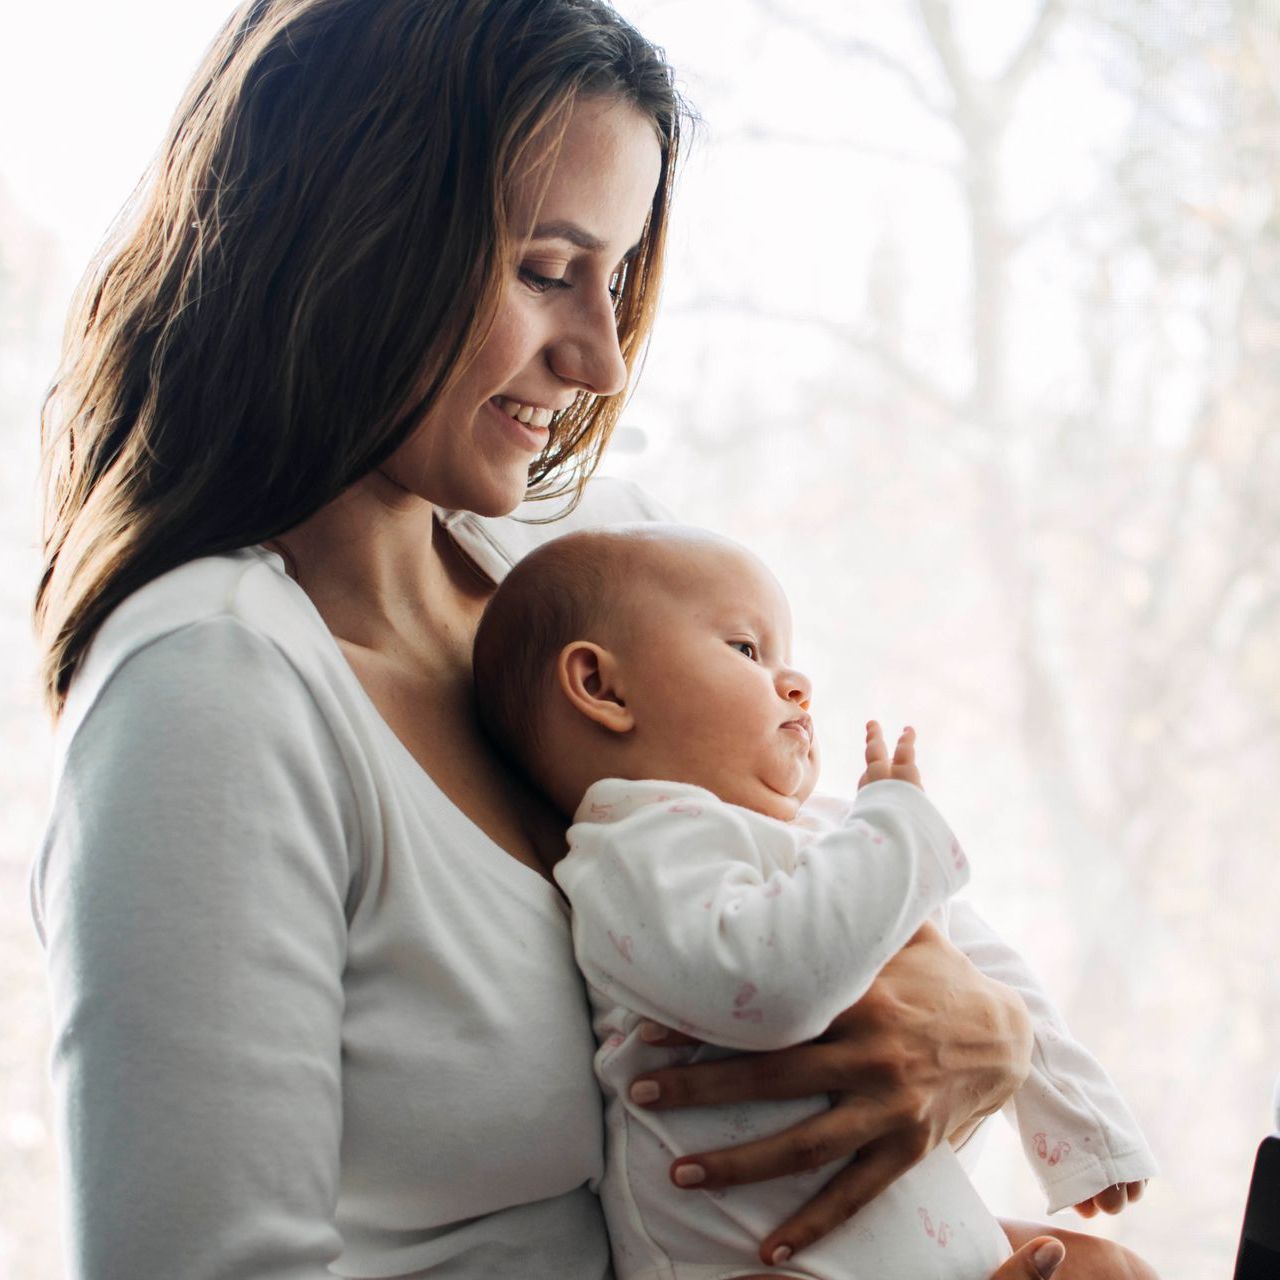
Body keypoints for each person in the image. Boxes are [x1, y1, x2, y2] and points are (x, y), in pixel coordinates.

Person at [29, 1, 1140, 1276]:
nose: (602, 361)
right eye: (545, 269)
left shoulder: (586, 568)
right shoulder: (210, 697)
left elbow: (810, 952)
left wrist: (983, 1042)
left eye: (611, 279)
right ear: (341, 237)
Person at [472, 524, 1159, 1279]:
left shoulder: (830, 831)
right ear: (603, 688)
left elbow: (990, 974)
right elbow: (769, 986)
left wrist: (1081, 1122)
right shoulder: (636, 846)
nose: (796, 681)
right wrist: (899, 831)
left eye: (787, 655)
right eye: (746, 650)